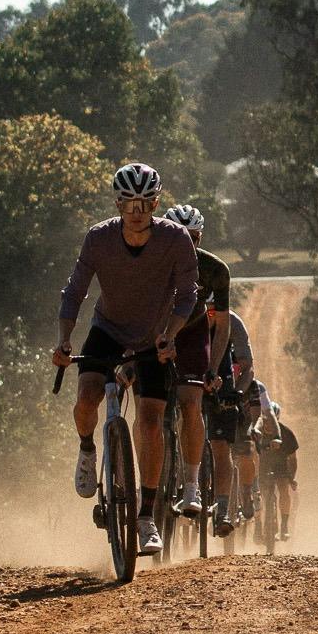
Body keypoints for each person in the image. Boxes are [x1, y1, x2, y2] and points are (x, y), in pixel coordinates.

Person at [52, 162, 198, 557]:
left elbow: (187, 295)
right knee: (87, 397)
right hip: (108, 330)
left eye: (144, 203)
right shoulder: (98, 239)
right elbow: (74, 292)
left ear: (156, 203)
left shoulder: (176, 240)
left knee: (150, 424)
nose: (137, 211)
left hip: (153, 338)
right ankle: (87, 449)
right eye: (128, 203)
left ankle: (146, 517)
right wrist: (65, 341)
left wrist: (171, 334)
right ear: (117, 204)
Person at [161, 203, 231, 521]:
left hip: (193, 333)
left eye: (195, 237)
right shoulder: (153, 263)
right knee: (152, 409)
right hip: (157, 331)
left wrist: (213, 368)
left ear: (201, 238)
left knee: (191, 402)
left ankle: (191, 486)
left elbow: (224, 325)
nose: (188, 244)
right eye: (181, 237)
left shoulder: (216, 270)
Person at [206, 307, 258, 535]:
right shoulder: (181, 311)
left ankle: (223, 510)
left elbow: (247, 368)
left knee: (220, 447)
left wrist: (237, 393)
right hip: (189, 372)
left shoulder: (233, 322)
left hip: (223, 380)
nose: (209, 312)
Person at [253, 385, 299, 540]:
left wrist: (291, 477)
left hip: (281, 467)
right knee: (257, 494)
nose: (268, 426)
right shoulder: (256, 432)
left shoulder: (286, 434)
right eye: (265, 422)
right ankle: (258, 526)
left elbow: (292, 459)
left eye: (271, 423)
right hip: (261, 465)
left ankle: (284, 525)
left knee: (284, 490)